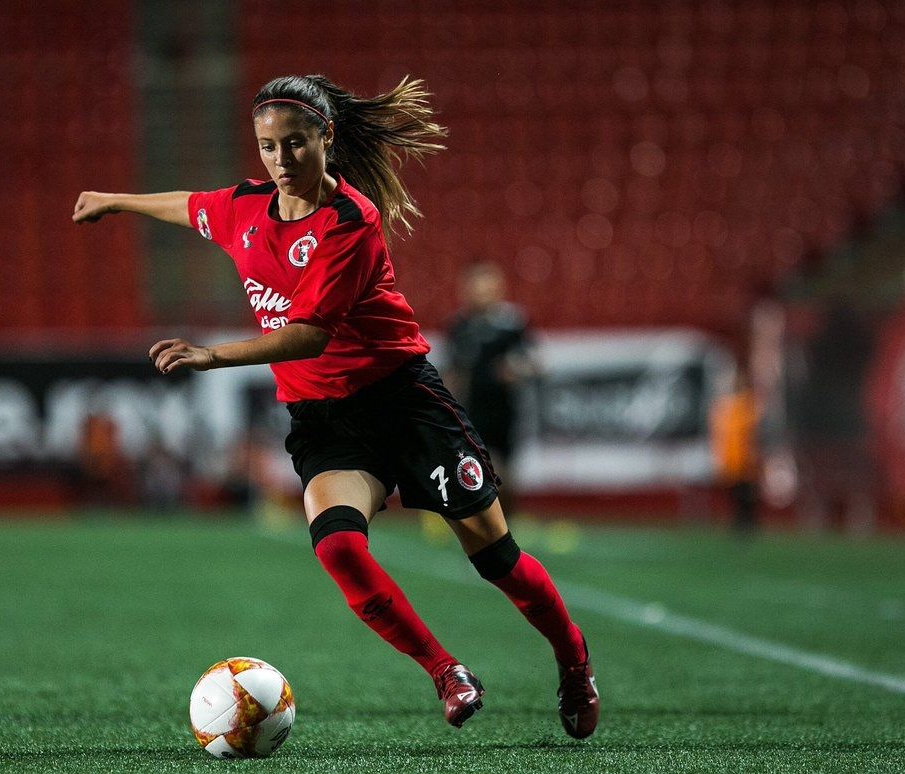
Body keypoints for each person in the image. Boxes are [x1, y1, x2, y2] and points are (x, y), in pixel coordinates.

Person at [72, 74, 599, 739]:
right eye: (268, 147)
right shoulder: (243, 207)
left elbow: (309, 334)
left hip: (404, 402)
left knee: (496, 557)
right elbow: (191, 204)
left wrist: (211, 355)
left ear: (326, 137)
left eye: (295, 144)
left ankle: (573, 659)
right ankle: (445, 671)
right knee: (339, 546)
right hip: (326, 419)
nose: (282, 161)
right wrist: (114, 201)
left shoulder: (351, 221)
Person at [445, 261, 532, 497]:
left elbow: (533, 362)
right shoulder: (459, 325)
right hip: (471, 409)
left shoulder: (512, 323)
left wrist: (513, 370)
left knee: (505, 473)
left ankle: (506, 522)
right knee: (475, 470)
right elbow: (453, 369)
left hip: (504, 409)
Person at [709, 367, 760, 534]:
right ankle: (740, 522)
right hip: (731, 458)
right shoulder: (724, 407)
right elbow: (719, 437)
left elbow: (752, 433)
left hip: (744, 459)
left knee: (745, 493)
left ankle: (747, 522)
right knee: (735, 494)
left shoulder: (746, 404)